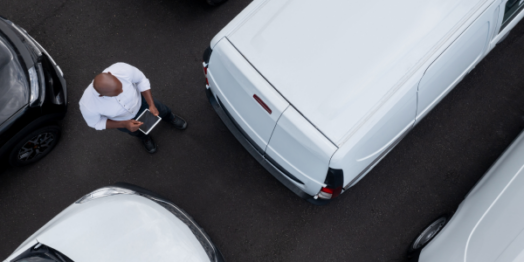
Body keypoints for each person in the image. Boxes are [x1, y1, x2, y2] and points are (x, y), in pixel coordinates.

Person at [79, 62, 187, 153]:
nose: (122, 91)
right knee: (136, 132)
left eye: (121, 87)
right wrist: (123, 124)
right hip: (123, 120)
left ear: (110, 73)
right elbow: (95, 123)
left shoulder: (122, 69)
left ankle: (170, 118)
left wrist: (151, 104)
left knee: (162, 110)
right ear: (101, 95)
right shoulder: (88, 105)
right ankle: (145, 138)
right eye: (116, 93)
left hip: (142, 102)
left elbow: (141, 80)